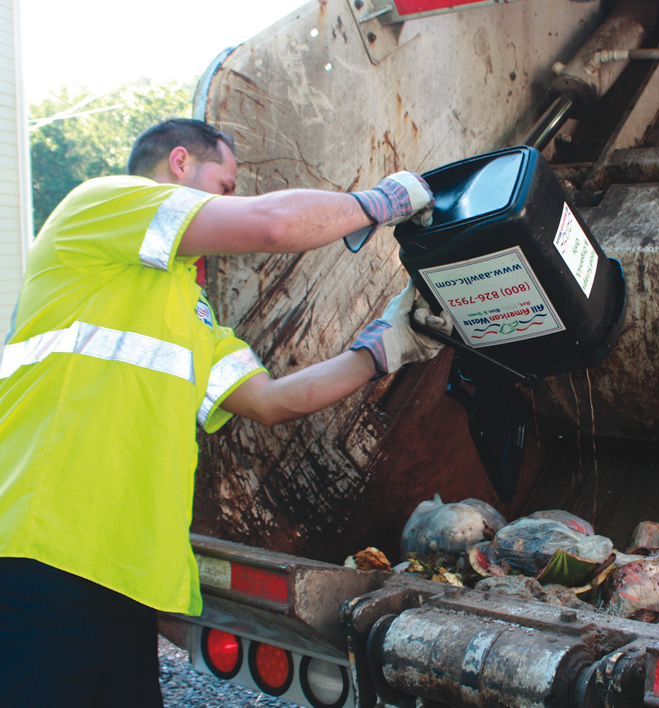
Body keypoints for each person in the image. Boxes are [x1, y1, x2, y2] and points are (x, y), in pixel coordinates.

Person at [0, 117, 452, 706]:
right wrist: (381, 202)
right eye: (227, 182)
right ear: (181, 163)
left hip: (122, 574)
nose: (232, 198)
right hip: (45, 552)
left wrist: (387, 346)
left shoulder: (191, 311)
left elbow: (271, 401)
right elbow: (273, 225)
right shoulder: (102, 204)